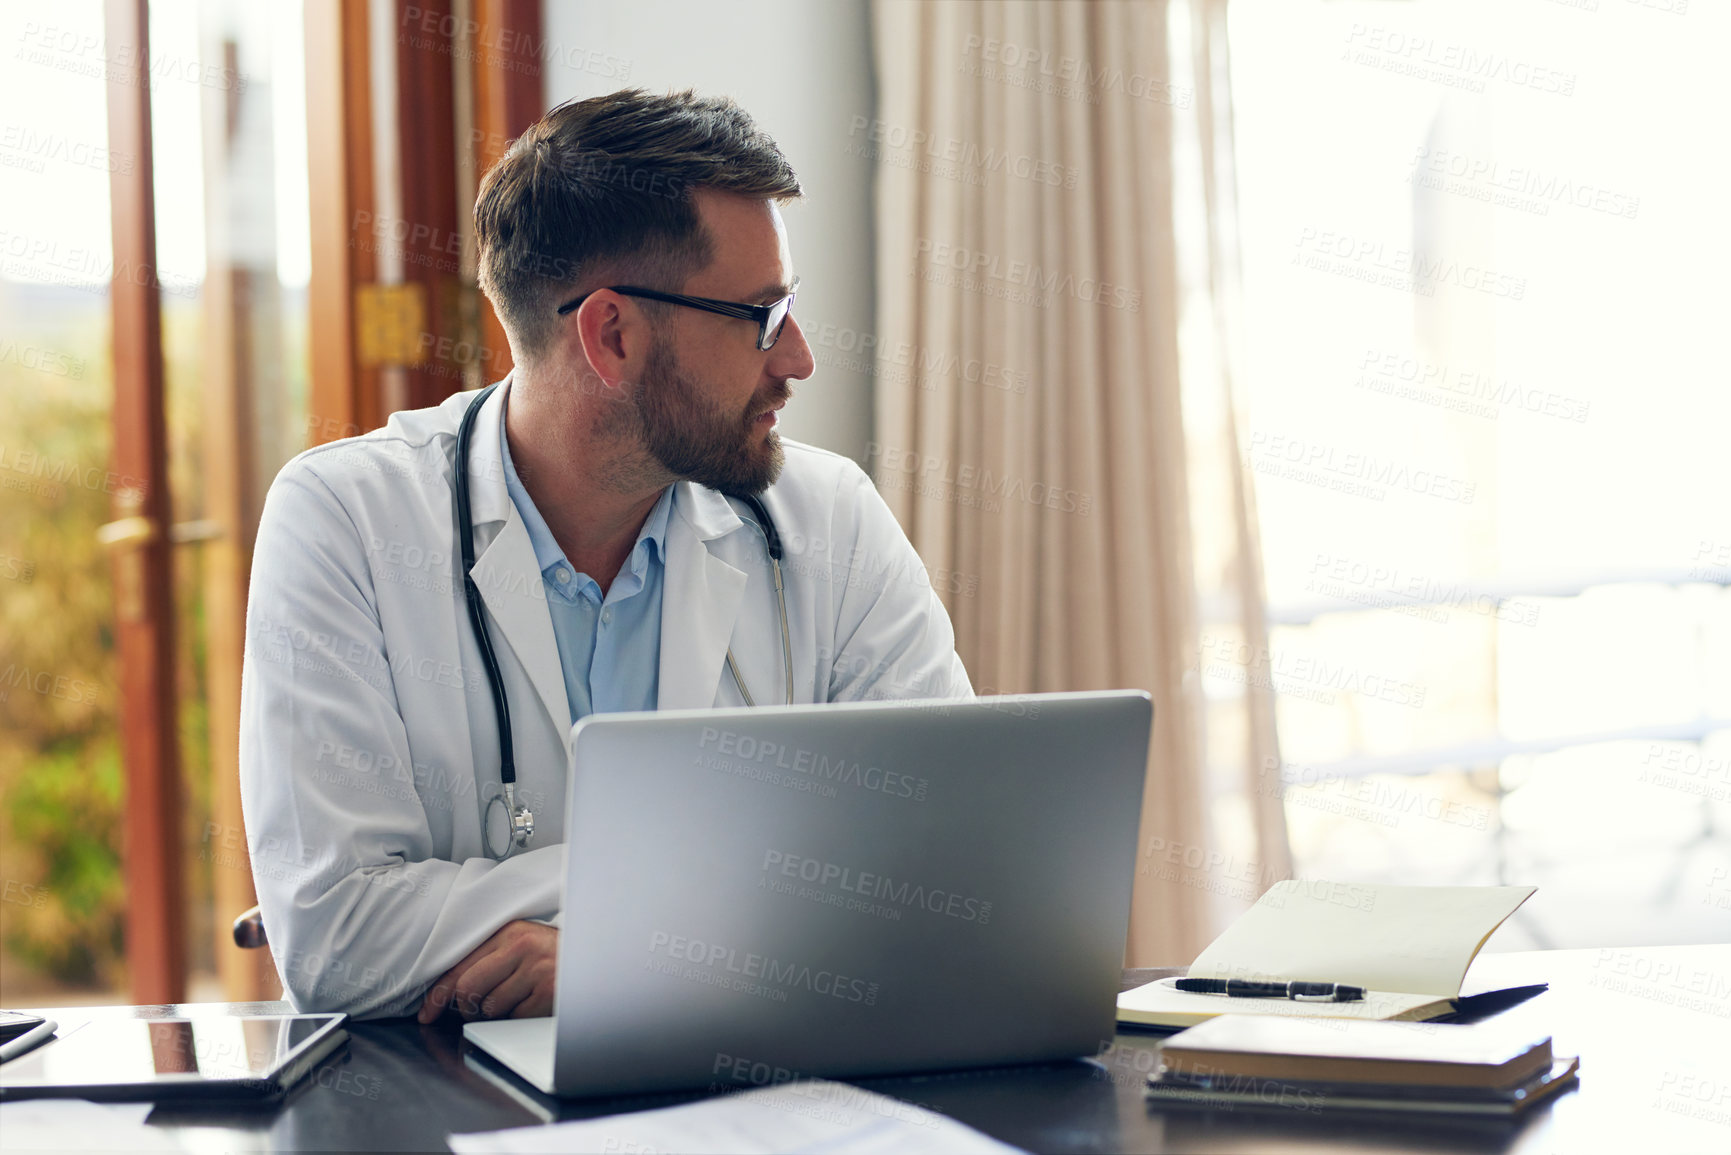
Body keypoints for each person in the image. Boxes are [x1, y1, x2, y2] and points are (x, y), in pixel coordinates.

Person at [238, 89, 972, 1023]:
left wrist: (618, 950)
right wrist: (769, 893)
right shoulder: (343, 519)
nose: (796, 357)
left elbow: (942, 875)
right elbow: (338, 939)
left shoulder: (828, 520)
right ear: (612, 334)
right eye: (760, 314)